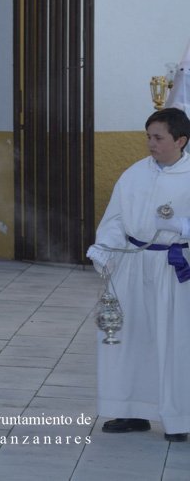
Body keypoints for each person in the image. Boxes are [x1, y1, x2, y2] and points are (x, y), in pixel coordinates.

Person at [87, 107, 190, 443]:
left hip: (173, 268)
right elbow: (117, 219)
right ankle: (132, 409)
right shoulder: (134, 174)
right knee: (131, 337)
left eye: (158, 138)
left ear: (180, 140)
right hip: (133, 265)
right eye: (148, 137)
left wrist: (181, 226)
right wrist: (105, 249)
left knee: (174, 340)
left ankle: (179, 418)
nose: (151, 143)